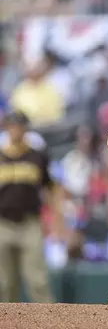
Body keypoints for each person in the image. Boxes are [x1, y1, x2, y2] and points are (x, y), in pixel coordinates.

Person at [0, 111, 57, 303]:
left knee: (37, 280)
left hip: (30, 222)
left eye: (20, 126)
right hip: (2, 224)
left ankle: (46, 322)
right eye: (12, 126)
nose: (16, 130)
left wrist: (56, 221)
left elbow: (50, 188)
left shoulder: (37, 156)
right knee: (4, 283)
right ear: (6, 128)